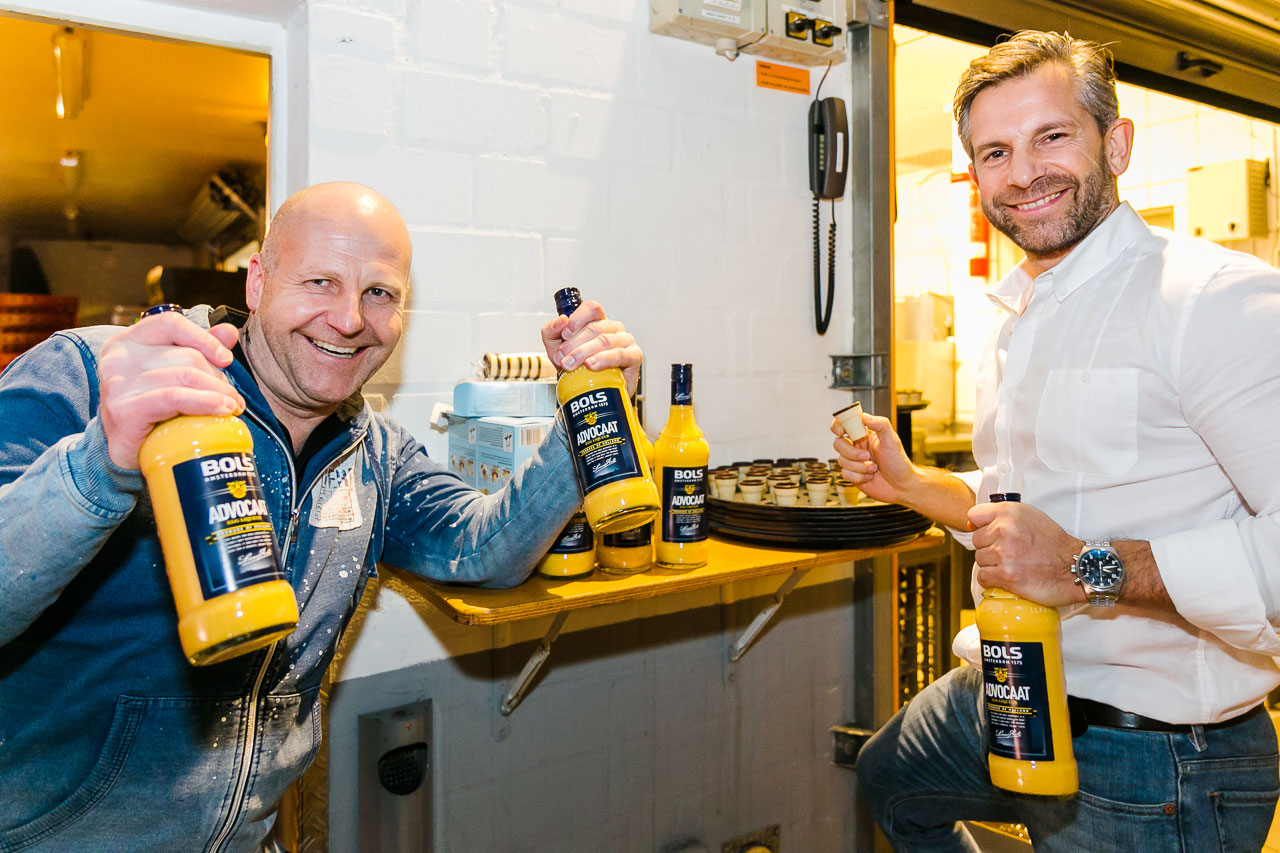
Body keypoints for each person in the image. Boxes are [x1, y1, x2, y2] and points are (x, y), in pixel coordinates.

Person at [0, 182, 642, 850]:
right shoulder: (96, 377)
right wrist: (99, 464)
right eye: (320, 281)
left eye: (379, 293)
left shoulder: (377, 455)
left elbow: (485, 550)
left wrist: (594, 416)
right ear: (257, 281)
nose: (349, 319)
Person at [833, 31, 1280, 851]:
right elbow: (1026, 500)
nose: (1023, 173)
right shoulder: (1023, 312)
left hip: (1155, 750)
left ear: (1116, 144)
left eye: (1051, 136)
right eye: (995, 153)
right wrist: (915, 485)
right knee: (892, 775)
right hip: (1009, 684)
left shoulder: (1214, 300)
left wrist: (1083, 566)